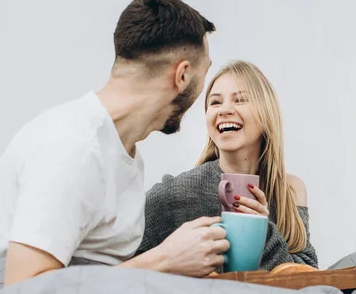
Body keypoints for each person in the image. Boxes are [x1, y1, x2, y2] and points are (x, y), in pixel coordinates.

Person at [0, 0, 231, 285]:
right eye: (206, 71)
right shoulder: (73, 148)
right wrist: (164, 261)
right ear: (182, 75)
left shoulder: (120, 153)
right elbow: (22, 292)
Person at [136, 60, 319, 270]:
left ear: (267, 113)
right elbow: (125, 264)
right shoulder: (178, 193)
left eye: (240, 100)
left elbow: (308, 276)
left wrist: (262, 232)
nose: (224, 110)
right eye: (215, 102)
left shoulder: (291, 189)